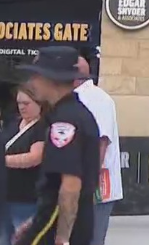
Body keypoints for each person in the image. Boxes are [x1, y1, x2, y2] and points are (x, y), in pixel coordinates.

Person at [12, 46, 99, 245]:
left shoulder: (65, 121)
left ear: (50, 79)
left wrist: (62, 237)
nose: (32, 82)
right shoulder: (70, 113)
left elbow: (70, 186)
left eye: (36, 75)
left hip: (56, 222)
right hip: (55, 218)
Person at [73, 56, 122, 245]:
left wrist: (87, 186)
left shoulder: (96, 99)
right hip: (82, 184)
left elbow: (100, 144)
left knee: (91, 239)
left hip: (96, 188)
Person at [4, 88, 46, 243]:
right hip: (6, 195)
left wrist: (4, 161)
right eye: (19, 103)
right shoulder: (13, 123)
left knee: (22, 238)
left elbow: (35, 157)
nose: (22, 107)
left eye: (26, 103)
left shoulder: (42, 127)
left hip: (26, 196)